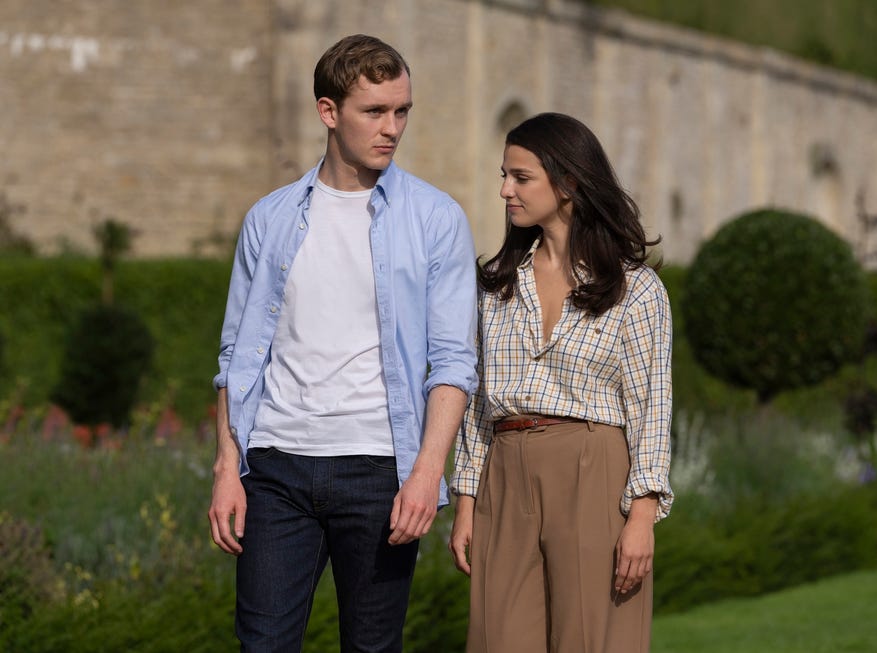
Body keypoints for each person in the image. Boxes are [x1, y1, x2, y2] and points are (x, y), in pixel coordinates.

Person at [208, 34, 478, 652]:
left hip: (379, 471)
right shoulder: (269, 218)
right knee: (263, 645)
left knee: (372, 648)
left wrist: (426, 471)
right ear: (329, 112)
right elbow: (234, 359)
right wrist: (228, 467)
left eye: (402, 110)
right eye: (374, 112)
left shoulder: (436, 220)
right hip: (275, 467)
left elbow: (454, 363)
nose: (392, 128)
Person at [449, 112, 673, 653]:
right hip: (505, 472)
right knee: (496, 638)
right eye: (504, 175)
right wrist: (466, 500)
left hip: (591, 468)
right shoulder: (497, 285)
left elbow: (653, 407)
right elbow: (478, 402)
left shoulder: (635, 290)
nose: (505, 190)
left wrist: (642, 516)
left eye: (521, 177)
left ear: (569, 182)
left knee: (591, 640)